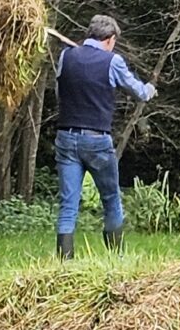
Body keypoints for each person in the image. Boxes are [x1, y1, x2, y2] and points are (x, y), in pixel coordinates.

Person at [51, 15, 156, 259]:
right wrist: (150, 89)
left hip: (66, 137)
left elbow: (60, 91)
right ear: (110, 40)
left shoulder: (67, 56)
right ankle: (116, 259)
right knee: (111, 199)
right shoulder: (113, 61)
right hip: (97, 140)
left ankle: (64, 264)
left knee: (68, 205)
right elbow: (139, 92)